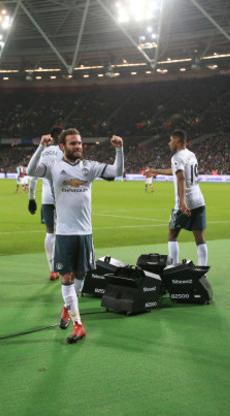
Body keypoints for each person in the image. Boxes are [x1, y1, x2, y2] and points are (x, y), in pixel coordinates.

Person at [27, 128, 124, 344]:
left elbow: (117, 171)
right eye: (72, 143)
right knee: (67, 277)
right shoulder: (53, 167)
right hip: (63, 233)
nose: (78, 146)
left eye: (79, 143)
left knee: (81, 275)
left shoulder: (89, 167)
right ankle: (78, 325)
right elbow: (31, 171)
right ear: (62, 147)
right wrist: (41, 146)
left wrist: (120, 150)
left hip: (85, 233)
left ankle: (66, 309)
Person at [147, 129, 208, 268]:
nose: (169, 143)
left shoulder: (176, 157)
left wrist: (182, 202)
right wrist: (156, 171)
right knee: (199, 238)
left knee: (172, 234)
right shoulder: (191, 155)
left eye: (171, 140)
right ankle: (202, 270)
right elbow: (176, 172)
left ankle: (173, 267)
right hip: (199, 200)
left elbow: (181, 177)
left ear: (178, 141)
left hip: (186, 202)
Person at [27, 126, 64, 281]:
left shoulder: (43, 152)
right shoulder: (65, 150)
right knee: (65, 232)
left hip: (47, 197)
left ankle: (52, 269)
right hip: (64, 197)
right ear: (60, 136)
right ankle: (65, 267)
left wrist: (31, 198)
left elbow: (33, 176)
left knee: (50, 232)